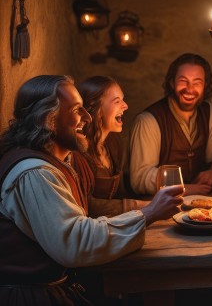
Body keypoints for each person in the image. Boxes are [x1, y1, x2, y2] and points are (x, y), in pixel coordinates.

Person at [0, 75, 183, 305]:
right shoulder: (35, 172)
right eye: (77, 110)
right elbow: (74, 242)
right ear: (49, 119)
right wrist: (148, 213)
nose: (87, 117)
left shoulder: (56, 161)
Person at [129, 53, 212, 195]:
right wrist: (183, 188)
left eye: (197, 82)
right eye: (183, 81)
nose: (190, 89)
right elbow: (140, 178)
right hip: (159, 208)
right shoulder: (148, 120)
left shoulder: (211, 113)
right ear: (172, 82)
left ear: (205, 86)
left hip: (203, 204)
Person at [74, 75, 150, 217]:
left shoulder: (114, 142)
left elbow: (120, 194)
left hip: (117, 223)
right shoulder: (78, 151)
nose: (125, 105)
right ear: (95, 108)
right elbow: (88, 205)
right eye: (117, 101)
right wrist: (143, 206)